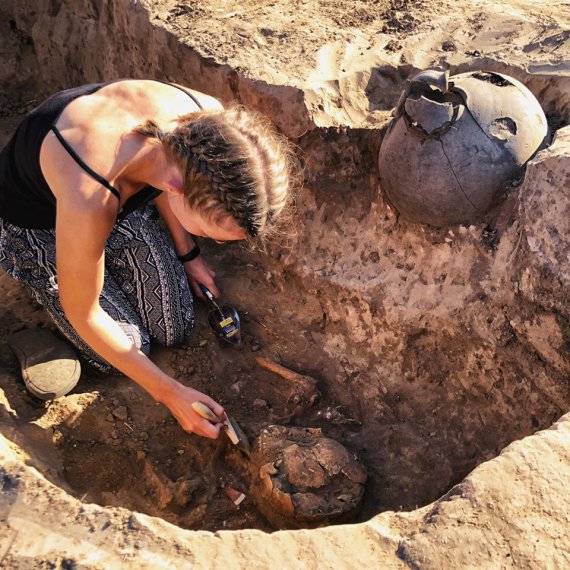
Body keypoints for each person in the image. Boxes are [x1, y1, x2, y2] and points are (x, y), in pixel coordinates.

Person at [0, 79, 292, 438]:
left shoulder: (209, 124)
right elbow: (85, 314)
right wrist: (171, 394)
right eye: (213, 233)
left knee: (175, 326)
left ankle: (102, 262)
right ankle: (40, 307)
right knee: (121, 347)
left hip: (124, 208)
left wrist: (189, 253)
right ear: (175, 188)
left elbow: (168, 182)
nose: (218, 242)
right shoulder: (91, 194)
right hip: (40, 225)